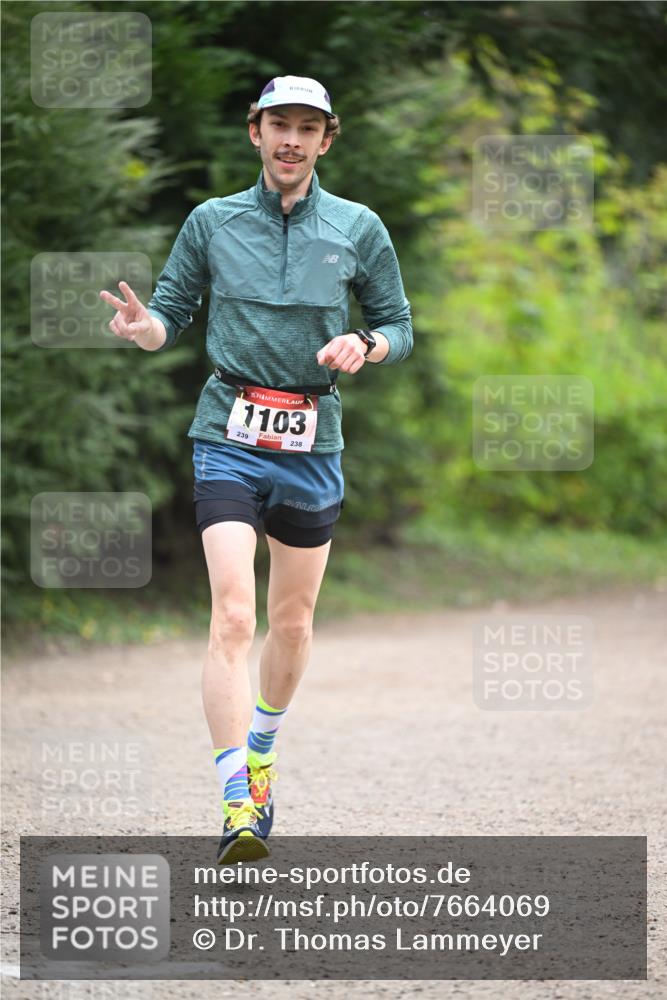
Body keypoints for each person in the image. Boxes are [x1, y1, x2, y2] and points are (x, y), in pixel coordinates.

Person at [100, 75, 413, 864]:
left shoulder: (357, 225)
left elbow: (398, 325)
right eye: (279, 124)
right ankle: (237, 797)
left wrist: (366, 344)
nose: (291, 140)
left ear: (325, 140)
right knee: (234, 616)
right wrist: (144, 328)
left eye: (307, 128)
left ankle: (263, 748)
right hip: (228, 434)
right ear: (255, 132)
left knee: (292, 623)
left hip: (312, 440)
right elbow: (170, 312)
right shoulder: (213, 221)